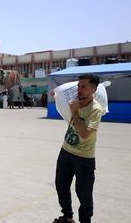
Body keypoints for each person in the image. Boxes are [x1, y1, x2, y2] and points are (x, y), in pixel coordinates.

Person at [53, 74, 103, 223]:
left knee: (84, 194)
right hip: (66, 151)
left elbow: (84, 134)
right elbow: (62, 105)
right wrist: (57, 96)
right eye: (78, 86)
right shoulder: (75, 102)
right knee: (61, 186)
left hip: (84, 158)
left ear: (93, 89)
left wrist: (75, 111)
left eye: (83, 87)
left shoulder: (95, 109)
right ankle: (68, 217)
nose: (79, 89)